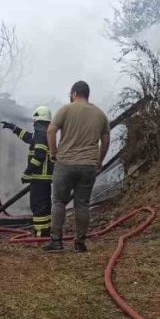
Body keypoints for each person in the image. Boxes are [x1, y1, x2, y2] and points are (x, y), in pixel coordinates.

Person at [43, 81, 111, 253]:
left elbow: (51, 131)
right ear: (87, 94)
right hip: (88, 165)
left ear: (74, 94)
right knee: (82, 204)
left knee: (58, 201)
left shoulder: (66, 109)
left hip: (65, 163)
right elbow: (106, 140)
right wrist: (99, 161)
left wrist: (53, 153)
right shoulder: (100, 114)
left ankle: (56, 241)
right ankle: (80, 243)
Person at [1, 106, 53, 237]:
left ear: (37, 119)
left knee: (38, 205)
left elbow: (40, 155)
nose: (33, 123)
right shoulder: (44, 132)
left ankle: (40, 233)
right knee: (44, 205)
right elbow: (29, 138)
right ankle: (45, 230)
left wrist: (27, 172)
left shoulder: (41, 134)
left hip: (39, 177)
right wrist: (14, 128)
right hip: (44, 177)